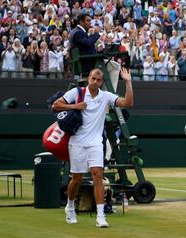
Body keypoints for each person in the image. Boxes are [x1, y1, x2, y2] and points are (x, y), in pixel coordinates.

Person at [52, 68, 133, 228]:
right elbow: (56, 105)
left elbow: (128, 103)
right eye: (93, 78)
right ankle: (70, 207)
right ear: (88, 78)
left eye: (98, 80)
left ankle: (101, 216)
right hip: (77, 142)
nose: (95, 81)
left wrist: (128, 81)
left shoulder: (105, 96)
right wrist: (75, 106)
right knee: (77, 179)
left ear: (102, 82)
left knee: (97, 175)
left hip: (96, 142)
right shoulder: (77, 92)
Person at [70, 13, 101, 77]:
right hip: (87, 64)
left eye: (90, 21)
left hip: (87, 61)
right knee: (114, 66)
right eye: (88, 21)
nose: (90, 23)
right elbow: (88, 43)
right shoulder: (78, 32)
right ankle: (107, 87)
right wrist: (96, 34)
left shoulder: (79, 31)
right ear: (81, 22)